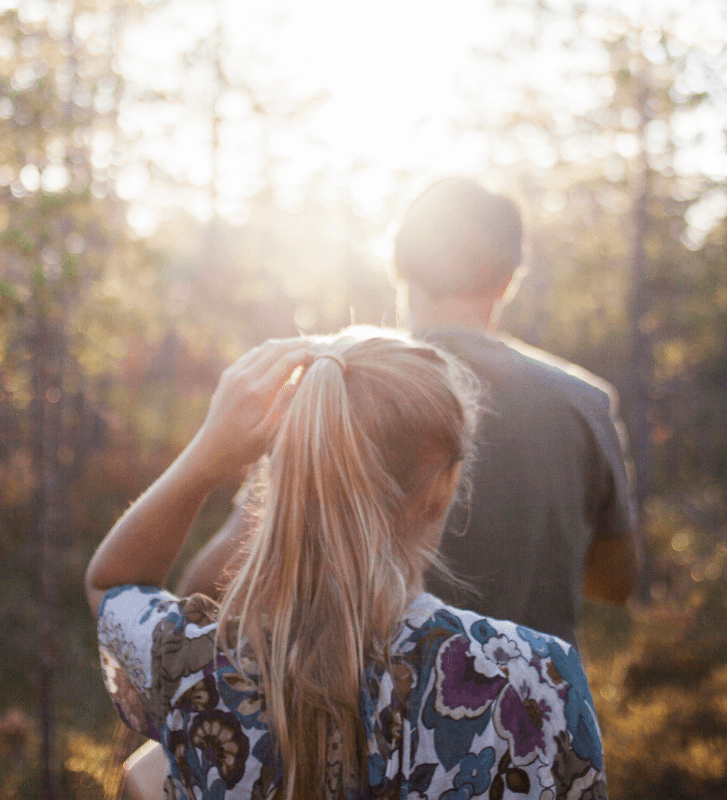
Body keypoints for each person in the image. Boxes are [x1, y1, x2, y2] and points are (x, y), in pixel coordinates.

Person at [86, 330, 608, 799]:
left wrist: (211, 449)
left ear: (285, 477)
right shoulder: (537, 678)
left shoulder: (194, 666)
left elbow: (110, 583)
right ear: (446, 486)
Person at [391, 177, 643, 644]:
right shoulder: (584, 402)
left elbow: (220, 575)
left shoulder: (337, 388)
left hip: (372, 710)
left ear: (401, 264)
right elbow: (615, 584)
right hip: (533, 710)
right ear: (507, 280)